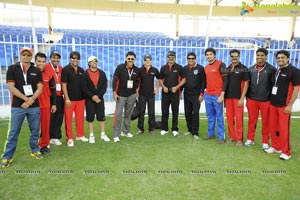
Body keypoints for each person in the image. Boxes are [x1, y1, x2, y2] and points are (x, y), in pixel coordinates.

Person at [0, 47, 43, 168]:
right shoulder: (13, 68)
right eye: (23, 54)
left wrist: (31, 100)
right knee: (13, 132)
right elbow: (11, 87)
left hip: (33, 105)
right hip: (18, 106)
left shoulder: (36, 70)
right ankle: (7, 156)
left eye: (28, 55)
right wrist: (26, 99)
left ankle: (35, 150)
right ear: (20, 55)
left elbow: (40, 88)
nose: (26, 57)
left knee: (35, 130)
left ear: (31, 56)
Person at [265, 50, 300, 160]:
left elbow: (296, 89)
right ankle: (276, 147)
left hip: (284, 106)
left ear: (288, 58)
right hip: (273, 104)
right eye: (278, 58)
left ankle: (286, 152)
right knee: (274, 127)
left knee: (284, 129)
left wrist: (290, 105)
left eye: (282, 58)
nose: (280, 59)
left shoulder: (294, 71)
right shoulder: (277, 70)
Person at [244, 48, 276, 149]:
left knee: (266, 122)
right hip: (252, 99)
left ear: (266, 56)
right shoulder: (251, 68)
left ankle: (265, 142)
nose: (259, 57)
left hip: (266, 100)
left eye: (262, 55)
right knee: (252, 121)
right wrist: (247, 98)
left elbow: (274, 85)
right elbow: (247, 85)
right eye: (258, 55)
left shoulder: (272, 69)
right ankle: (250, 139)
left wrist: (272, 99)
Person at [112, 51, 140, 142]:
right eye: (129, 59)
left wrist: (136, 92)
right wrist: (114, 93)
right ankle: (116, 134)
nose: (130, 60)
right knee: (119, 114)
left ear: (134, 60)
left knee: (128, 114)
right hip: (121, 95)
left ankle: (126, 131)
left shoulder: (136, 70)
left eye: (132, 59)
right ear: (126, 59)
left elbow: (138, 81)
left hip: (131, 95)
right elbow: (115, 80)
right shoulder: (120, 67)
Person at [62, 51, 88, 147]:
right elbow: (63, 85)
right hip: (70, 99)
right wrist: (67, 99)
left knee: (80, 118)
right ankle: (69, 138)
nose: (75, 60)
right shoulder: (66, 69)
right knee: (68, 119)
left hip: (81, 99)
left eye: (77, 58)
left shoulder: (81, 70)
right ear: (70, 59)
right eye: (73, 58)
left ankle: (80, 135)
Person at [82, 56, 110, 143]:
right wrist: (92, 96)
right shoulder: (85, 74)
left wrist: (98, 96)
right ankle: (91, 135)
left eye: (96, 61)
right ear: (89, 63)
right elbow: (84, 87)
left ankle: (103, 134)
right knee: (90, 118)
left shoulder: (102, 73)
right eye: (92, 61)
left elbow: (104, 87)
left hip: (100, 99)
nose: (95, 62)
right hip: (90, 99)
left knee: (101, 117)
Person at [203, 48, 228, 144]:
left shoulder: (221, 65)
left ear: (214, 55)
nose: (208, 56)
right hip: (208, 95)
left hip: (218, 95)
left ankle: (221, 136)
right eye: (207, 54)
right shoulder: (206, 68)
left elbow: (226, 80)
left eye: (210, 54)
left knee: (219, 116)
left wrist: (222, 94)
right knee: (210, 116)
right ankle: (211, 133)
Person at [225, 49, 250, 146]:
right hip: (228, 97)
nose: (234, 58)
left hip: (238, 98)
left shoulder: (243, 68)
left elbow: (246, 84)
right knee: (230, 118)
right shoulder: (227, 68)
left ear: (239, 57)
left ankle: (239, 139)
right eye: (232, 56)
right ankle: (232, 136)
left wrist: (242, 98)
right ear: (230, 57)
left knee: (239, 119)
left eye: (236, 56)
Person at [159, 50, 186, 137]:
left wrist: (177, 87)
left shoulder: (179, 67)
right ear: (167, 58)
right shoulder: (163, 68)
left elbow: (184, 79)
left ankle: (175, 129)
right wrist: (163, 87)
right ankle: (164, 129)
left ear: (175, 58)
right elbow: (160, 79)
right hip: (165, 92)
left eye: (172, 57)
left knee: (175, 111)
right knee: (164, 111)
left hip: (175, 92)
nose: (171, 58)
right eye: (169, 57)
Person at [35, 52, 57, 155]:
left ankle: (44, 144)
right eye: (39, 61)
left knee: (45, 126)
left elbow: (53, 90)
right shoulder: (31, 73)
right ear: (35, 61)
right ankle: (35, 144)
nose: (41, 63)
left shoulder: (49, 73)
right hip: (33, 104)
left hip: (46, 104)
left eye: (43, 61)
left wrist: (54, 104)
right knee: (35, 126)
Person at [182, 52, 206, 140]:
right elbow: (183, 81)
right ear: (187, 59)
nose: (190, 60)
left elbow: (204, 82)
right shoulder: (184, 68)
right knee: (187, 112)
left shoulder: (200, 68)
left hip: (196, 94)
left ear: (195, 59)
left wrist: (201, 94)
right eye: (189, 58)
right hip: (187, 93)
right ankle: (190, 129)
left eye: (192, 58)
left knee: (195, 112)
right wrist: (180, 92)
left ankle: (195, 132)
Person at [137, 54, 160, 134]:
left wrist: (157, 89)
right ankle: (140, 129)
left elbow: (159, 79)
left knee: (151, 112)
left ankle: (151, 128)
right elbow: (136, 81)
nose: (147, 62)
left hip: (151, 94)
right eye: (146, 60)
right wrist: (136, 90)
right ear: (144, 61)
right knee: (141, 112)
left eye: (149, 60)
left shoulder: (154, 70)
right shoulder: (140, 70)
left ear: (151, 61)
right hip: (142, 94)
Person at [45, 51, 64, 146]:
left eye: (57, 58)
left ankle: (55, 137)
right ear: (50, 58)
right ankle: (46, 138)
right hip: (50, 96)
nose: (56, 59)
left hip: (60, 96)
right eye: (54, 57)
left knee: (59, 117)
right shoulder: (46, 67)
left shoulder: (61, 68)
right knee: (50, 118)